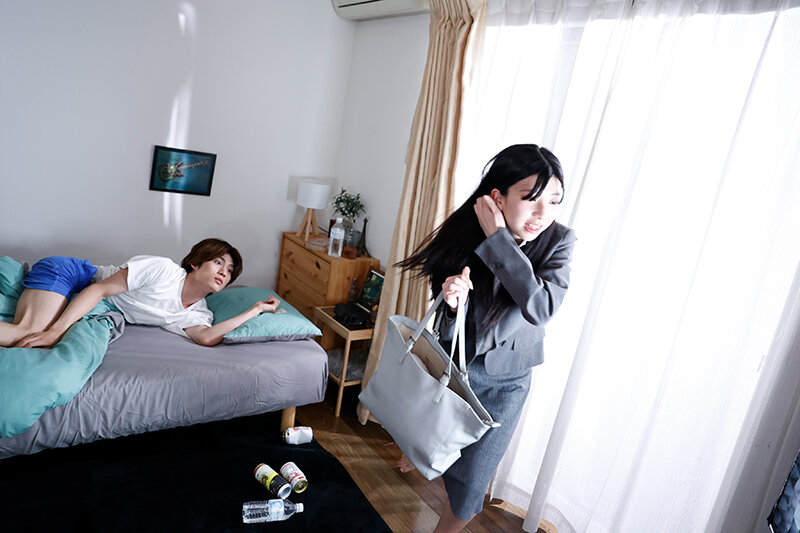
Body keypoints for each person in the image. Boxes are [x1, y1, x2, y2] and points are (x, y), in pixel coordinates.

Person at [396, 144, 576, 532]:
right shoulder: (464, 232)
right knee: (429, 443)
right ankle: (420, 450)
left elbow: (540, 306)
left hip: (506, 382)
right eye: (531, 198)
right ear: (498, 196)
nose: (542, 214)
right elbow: (449, 318)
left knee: (471, 485)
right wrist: (452, 302)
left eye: (553, 201)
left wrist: (498, 238)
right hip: (455, 366)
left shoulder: (559, 241)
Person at [0, 238, 279, 349]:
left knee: (33, 335)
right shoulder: (164, 270)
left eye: (229, 271)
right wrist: (55, 332)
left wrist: (256, 310)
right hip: (72, 275)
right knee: (30, 332)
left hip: (84, 295)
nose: (224, 272)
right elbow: (99, 289)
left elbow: (207, 338)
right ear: (196, 263)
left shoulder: (197, 312)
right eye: (218, 262)